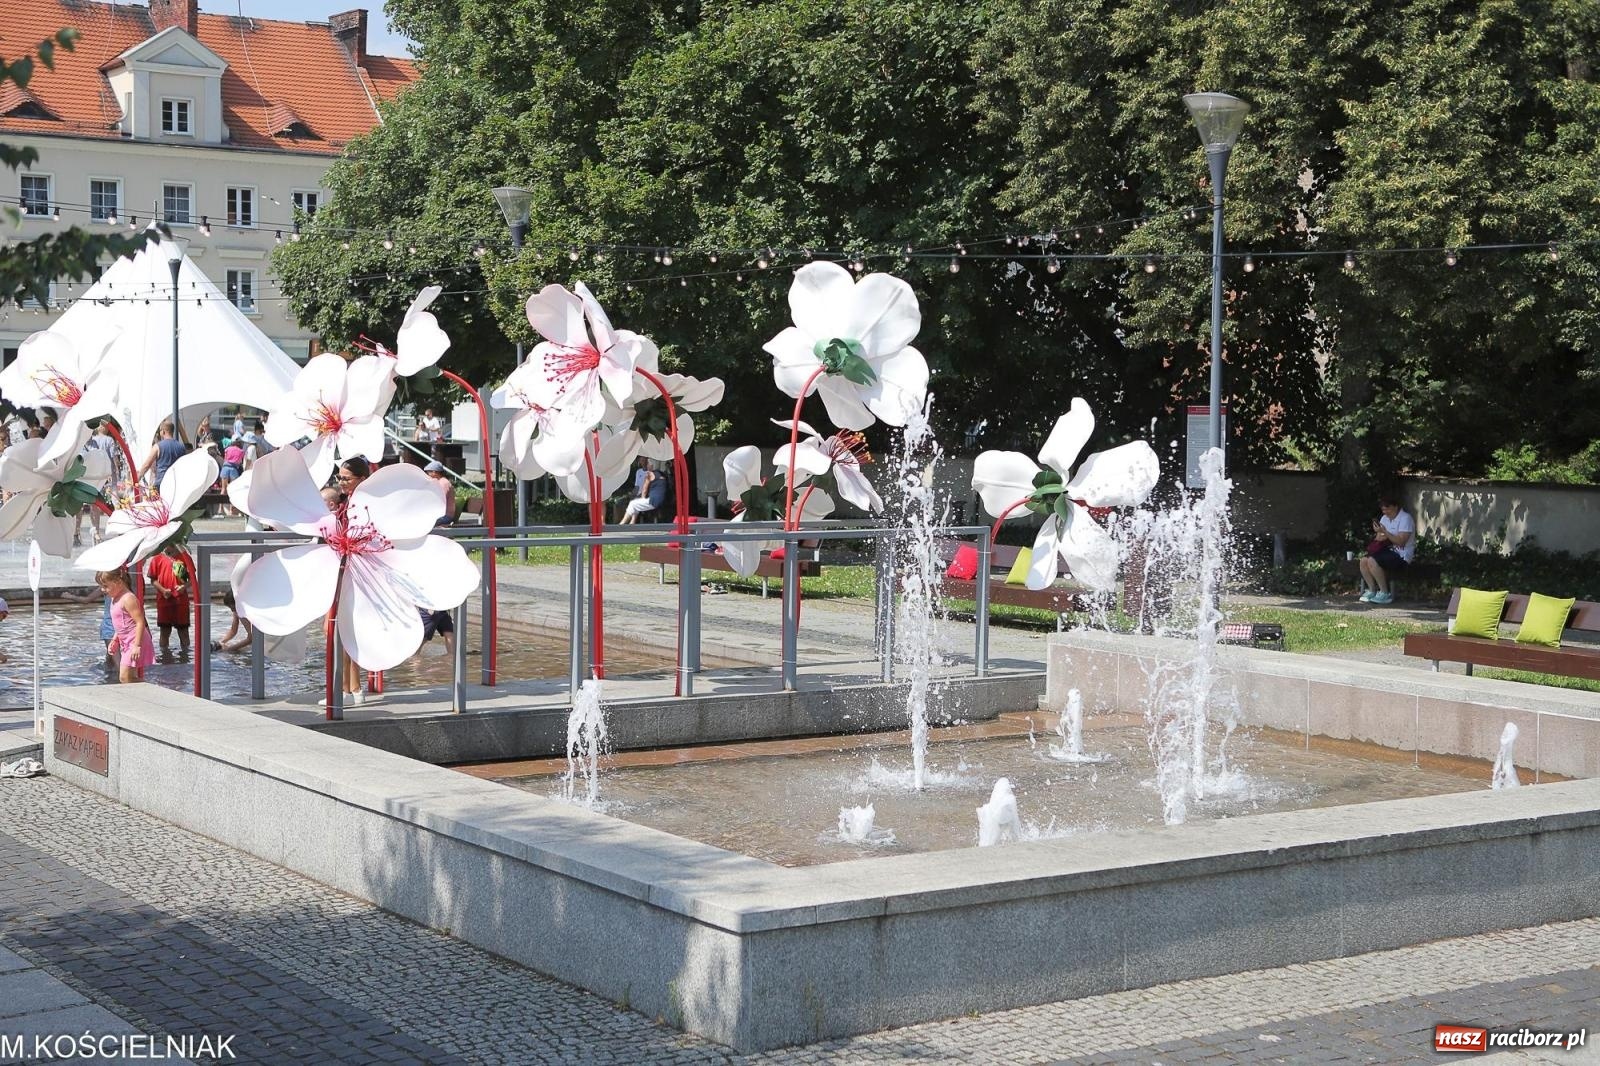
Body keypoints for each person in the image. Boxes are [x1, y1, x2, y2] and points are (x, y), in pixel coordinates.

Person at [334, 457, 372, 703]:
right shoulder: (346, 503)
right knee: (343, 625)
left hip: (359, 567)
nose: (341, 483)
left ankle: (353, 687)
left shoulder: (366, 505)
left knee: (351, 625)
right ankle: (348, 687)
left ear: (362, 480)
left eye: (346, 479)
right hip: (344, 565)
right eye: (339, 478)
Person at [1359, 493, 1416, 604]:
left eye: (1387, 509)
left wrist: (1385, 532)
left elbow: (1401, 541)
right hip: (1386, 551)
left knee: (1372, 560)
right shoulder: (1384, 518)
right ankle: (1372, 590)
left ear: (1395, 506)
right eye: (1383, 510)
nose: (1385, 512)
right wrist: (1379, 532)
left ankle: (1385, 593)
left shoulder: (1406, 519)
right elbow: (1378, 540)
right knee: (1363, 561)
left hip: (1401, 555)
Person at [98, 568, 154, 683]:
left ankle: (151, 692)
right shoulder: (115, 598)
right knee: (129, 676)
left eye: (105, 586)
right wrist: (115, 639)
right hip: (126, 641)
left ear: (118, 581)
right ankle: (141, 695)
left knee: (124, 677)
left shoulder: (128, 598)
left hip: (136, 640)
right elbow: (121, 623)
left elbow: (140, 622)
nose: (102, 590)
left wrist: (137, 645)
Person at [146, 544, 191, 658]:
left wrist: (183, 587)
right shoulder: (157, 559)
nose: (167, 547)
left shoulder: (184, 558)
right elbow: (153, 579)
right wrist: (162, 590)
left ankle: (185, 657)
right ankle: (164, 657)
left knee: (184, 632)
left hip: (181, 601)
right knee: (164, 632)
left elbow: (191, 579)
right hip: (164, 601)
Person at [138, 421, 188, 486]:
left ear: (163, 431)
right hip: (176, 484)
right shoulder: (182, 447)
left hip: (161, 484)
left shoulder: (157, 447)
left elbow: (146, 465)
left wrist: (137, 479)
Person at [620, 457, 665, 524]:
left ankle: (622, 524)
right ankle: (631, 523)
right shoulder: (661, 474)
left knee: (633, 503)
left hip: (653, 500)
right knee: (635, 502)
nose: (647, 464)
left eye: (648, 463)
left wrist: (642, 498)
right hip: (661, 499)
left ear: (651, 465)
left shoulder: (649, 474)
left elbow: (644, 490)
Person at [423, 460, 458, 525]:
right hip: (440, 514)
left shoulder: (444, 483)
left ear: (434, 472)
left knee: (424, 522)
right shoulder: (439, 482)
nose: (428, 474)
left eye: (428, 472)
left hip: (445, 516)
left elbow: (440, 499)